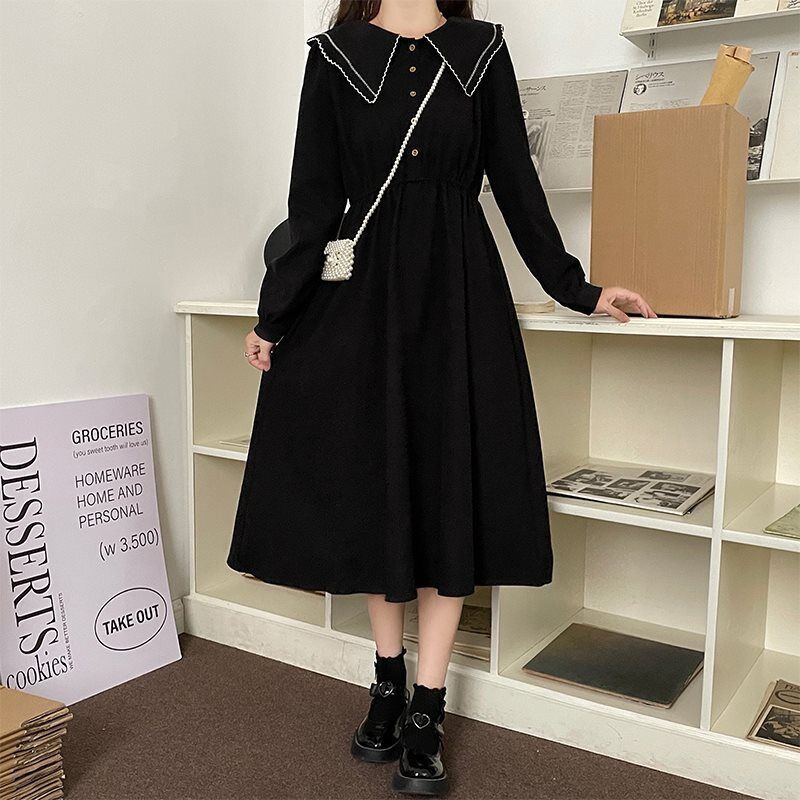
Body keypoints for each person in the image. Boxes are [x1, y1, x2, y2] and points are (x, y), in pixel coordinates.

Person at [227, 1, 656, 795]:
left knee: (448, 487)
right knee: (379, 487)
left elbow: (516, 183)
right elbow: (313, 202)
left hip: (461, 300)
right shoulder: (333, 56)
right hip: (364, 302)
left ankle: (428, 709)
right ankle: (386, 684)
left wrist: (579, 289)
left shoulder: (483, 51)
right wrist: (275, 315)